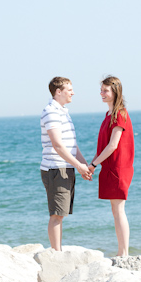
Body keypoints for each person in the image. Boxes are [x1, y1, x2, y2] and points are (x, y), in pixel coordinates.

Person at [40, 77, 91, 251]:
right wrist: (78, 165)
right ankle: (56, 253)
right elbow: (58, 145)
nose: (73, 92)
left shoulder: (63, 112)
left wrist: (84, 165)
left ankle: (58, 250)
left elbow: (71, 144)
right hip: (55, 167)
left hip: (66, 166)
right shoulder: (51, 112)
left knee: (61, 213)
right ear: (58, 92)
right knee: (56, 214)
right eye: (70, 89)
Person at [88, 76, 134, 256]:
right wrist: (92, 165)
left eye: (106, 90)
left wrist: (93, 163)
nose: (102, 93)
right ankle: (121, 251)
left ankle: (123, 253)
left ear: (115, 92)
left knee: (119, 209)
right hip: (109, 168)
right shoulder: (108, 115)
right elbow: (103, 147)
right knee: (115, 210)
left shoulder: (119, 113)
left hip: (118, 168)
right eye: (101, 90)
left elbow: (113, 145)